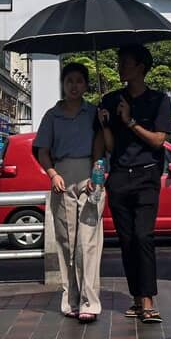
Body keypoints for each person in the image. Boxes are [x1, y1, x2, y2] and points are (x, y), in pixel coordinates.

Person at [98, 45, 171, 325]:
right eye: (119, 61)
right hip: (118, 177)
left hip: (147, 175)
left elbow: (158, 141)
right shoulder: (110, 99)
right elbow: (109, 147)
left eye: (125, 61)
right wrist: (106, 124)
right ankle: (136, 298)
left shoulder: (159, 100)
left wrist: (129, 122)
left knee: (143, 236)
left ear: (141, 66)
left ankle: (149, 300)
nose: (120, 66)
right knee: (127, 240)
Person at [35, 62, 107, 323]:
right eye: (69, 81)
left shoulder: (94, 113)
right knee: (67, 242)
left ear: (86, 85)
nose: (74, 86)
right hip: (62, 178)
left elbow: (101, 144)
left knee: (88, 243)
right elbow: (42, 149)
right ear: (63, 85)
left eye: (79, 81)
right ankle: (71, 299)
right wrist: (52, 174)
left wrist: (97, 173)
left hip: (90, 177)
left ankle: (90, 301)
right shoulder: (52, 116)